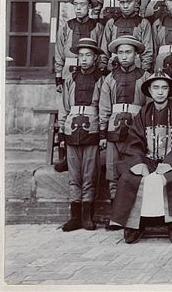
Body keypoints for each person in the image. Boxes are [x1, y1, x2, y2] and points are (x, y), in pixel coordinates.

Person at [110, 70, 172, 244]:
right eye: (156, 88)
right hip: (148, 160)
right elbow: (134, 141)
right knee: (129, 178)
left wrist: (170, 162)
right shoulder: (143, 113)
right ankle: (135, 224)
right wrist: (138, 162)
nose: (160, 92)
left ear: (170, 90)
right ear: (149, 90)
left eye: (164, 88)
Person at [99, 35, 150, 226]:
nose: (124, 56)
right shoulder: (109, 78)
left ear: (136, 54)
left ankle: (135, 216)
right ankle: (116, 217)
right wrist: (103, 133)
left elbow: (149, 107)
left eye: (128, 52)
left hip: (137, 131)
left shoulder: (145, 77)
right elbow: (104, 107)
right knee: (113, 171)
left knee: (135, 169)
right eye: (120, 53)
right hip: (114, 129)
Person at [57, 38, 104, 232]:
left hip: (92, 129)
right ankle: (75, 217)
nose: (84, 59)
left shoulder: (101, 79)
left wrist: (102, 133)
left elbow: (104, 107)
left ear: (95, 58)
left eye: (88, 55)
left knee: (89, 175)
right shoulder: (70, 78)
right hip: (71, 130)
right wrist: (62, 133)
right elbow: (64, 107)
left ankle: (87, 216)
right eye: (81, 56)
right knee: (74, 175)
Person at [54, 0, 104, 92]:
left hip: (92, 73)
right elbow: (59, 51)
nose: (78, 8)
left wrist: (100, 71)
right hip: (69, 72)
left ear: (89, 6)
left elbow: (102, 52)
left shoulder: (98, 27)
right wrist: (58, 77)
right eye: (75, 4)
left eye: (82, 4)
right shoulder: (66, 26)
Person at [100, 0, 153, 72]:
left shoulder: (143, 23)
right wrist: (103, 67)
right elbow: (104, 49)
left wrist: (144, 70)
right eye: (122, 2)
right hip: (114, 68)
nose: (125, 6)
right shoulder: (111, 23)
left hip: (137, 68)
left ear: (136, 2)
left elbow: (148, 51)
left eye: (129, 2)